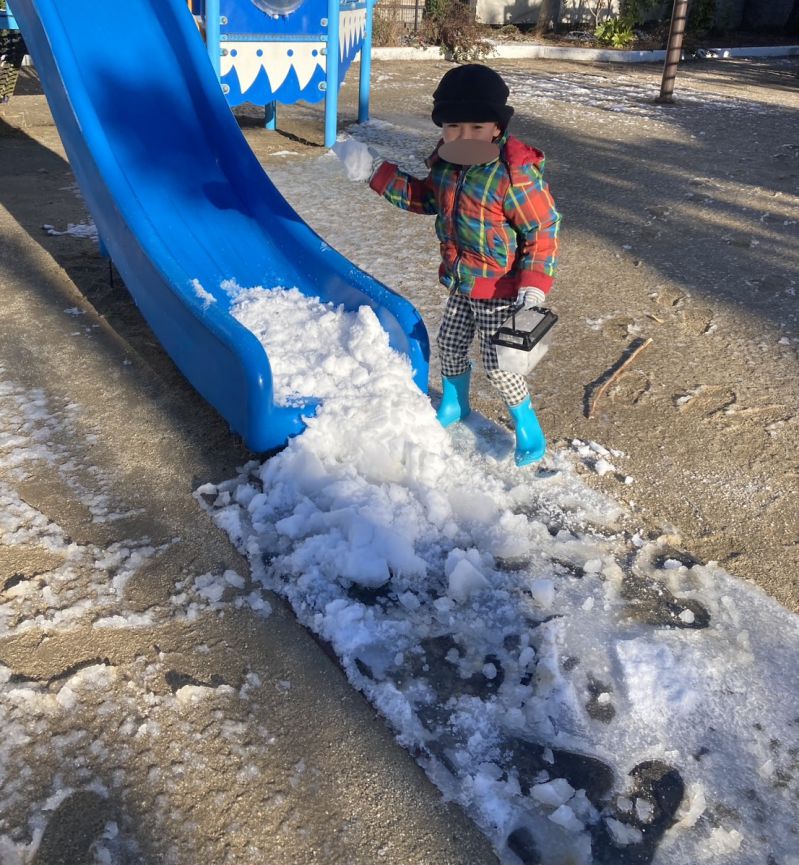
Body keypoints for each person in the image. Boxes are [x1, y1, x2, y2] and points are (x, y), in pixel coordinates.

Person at [335, 64, 561, 466]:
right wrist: (373, 171)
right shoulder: (446, 163)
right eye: (453, 126)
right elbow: (424, 198)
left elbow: (542, 229)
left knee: (500, 366)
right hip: (461, 283)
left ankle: (526, 422)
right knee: (451, 346)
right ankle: (456, 403)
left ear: (496, 127)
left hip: (501, 291)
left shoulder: (514, 176)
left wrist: (534, 285)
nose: (463, 136)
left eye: (476, 127)